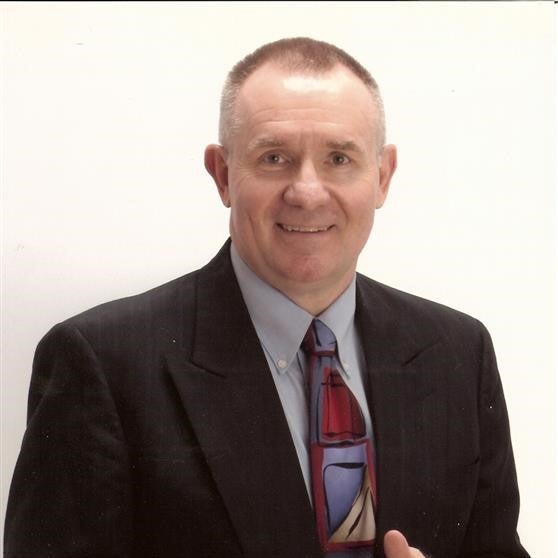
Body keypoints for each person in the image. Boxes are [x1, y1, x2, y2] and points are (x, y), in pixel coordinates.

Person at [4, 37, 529, 558]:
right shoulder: (103, 364)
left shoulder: (459, 353)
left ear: (382, 176)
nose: (307, 192)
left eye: (339, 158)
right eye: (274, 157)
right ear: (223, 174)